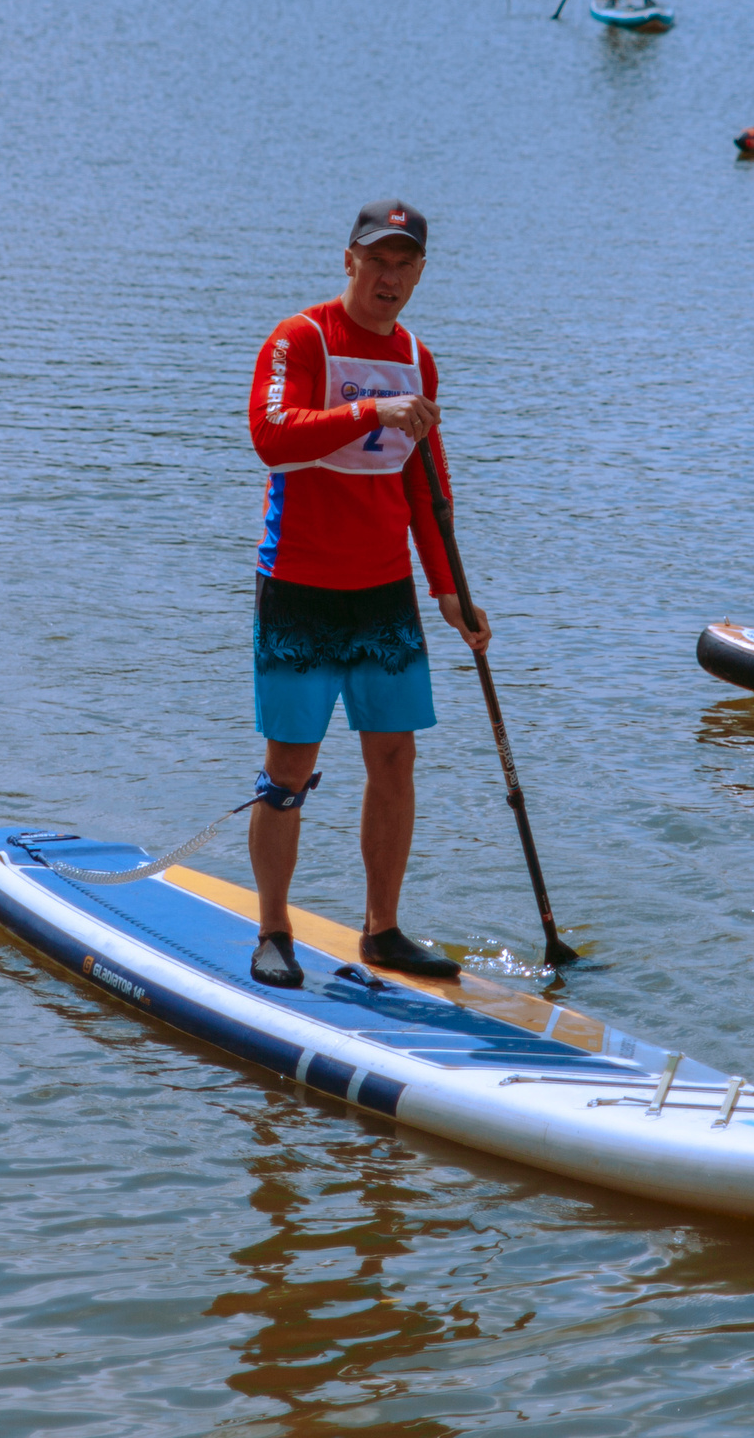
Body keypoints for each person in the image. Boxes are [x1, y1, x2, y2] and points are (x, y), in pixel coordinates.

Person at [242, 198, 494, 988]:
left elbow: (428, 487)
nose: (389, 277)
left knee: (395, 757)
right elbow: (272, 436)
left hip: (386, 593)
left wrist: (450, 591)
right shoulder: (301, 338)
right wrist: (367, 411)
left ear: (421, 271)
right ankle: (274, 931)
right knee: (290, 769)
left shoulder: (419, 358)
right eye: (376, 260)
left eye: (405, 263)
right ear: (348, 260)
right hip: (300, 585)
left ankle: (382, 931)